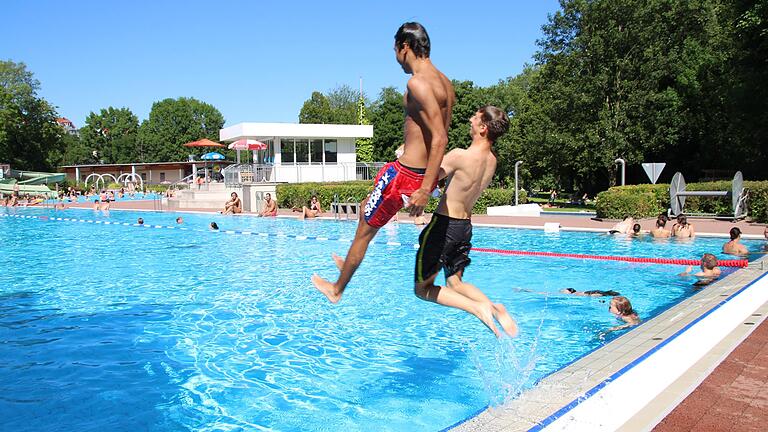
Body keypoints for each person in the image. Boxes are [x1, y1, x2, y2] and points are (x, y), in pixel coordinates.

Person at [312, 22, 455, 303]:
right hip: (412, 171)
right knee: (367, 208)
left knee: (366, 229)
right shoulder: (444, 81)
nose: (395, 57)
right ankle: (349, 263)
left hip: (407, 174)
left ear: (404, 47)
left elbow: (440, 139)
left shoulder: (417, 83)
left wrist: (425, 189)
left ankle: (337, 289)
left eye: (395, 50)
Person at [407, 106, 517, 337]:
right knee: (454, 284)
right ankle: (494, 308)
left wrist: (407, 158)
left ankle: (477, 308)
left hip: (444, 226)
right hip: (464, 228)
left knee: (422, 289)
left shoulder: (460, 155)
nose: (470, 119)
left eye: (475, 118)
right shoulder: (492, 161)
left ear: (483, 128)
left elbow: (426, 179)